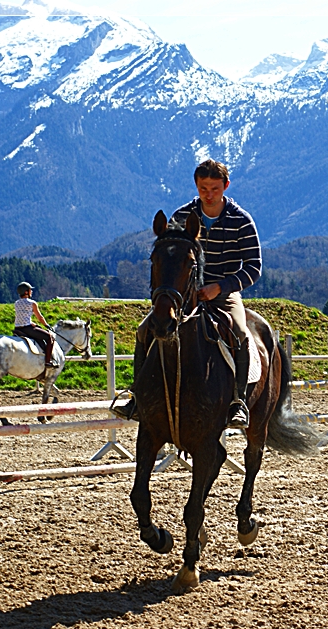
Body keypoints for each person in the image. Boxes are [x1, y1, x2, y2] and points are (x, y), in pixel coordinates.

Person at [114, 159, 262, 428]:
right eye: (203, 188)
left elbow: (254, 267)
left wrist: (221, 286)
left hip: (223, 292)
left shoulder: (242, 220)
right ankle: (137, 395)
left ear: (225, 186)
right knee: (143, 330)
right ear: (196, 185)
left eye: (214, 188)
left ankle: (237, 402)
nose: (208, 194)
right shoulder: (181, 216)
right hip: (183, 294)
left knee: (240, 332)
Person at [13, 282, 58, 367]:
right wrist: (46, 325)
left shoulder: (17, 303)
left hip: (17, 328)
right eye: (30, 290)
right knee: (49, 337)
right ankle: (48, 362)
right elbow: (40, 317)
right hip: (27, 328)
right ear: (26, 292)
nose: (31, 292)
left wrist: (33, 323)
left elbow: (22, 316)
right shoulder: (32, 303)